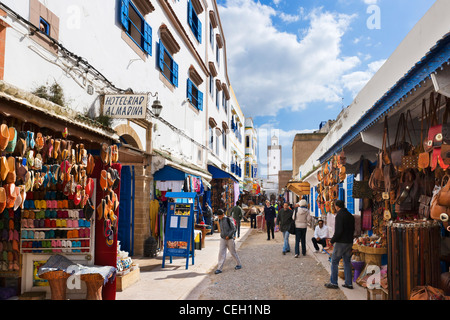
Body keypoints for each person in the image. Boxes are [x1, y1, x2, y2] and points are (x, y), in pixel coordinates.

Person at [324, 200, 355, 290]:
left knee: (334, 262)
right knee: (347, 262)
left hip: (341, 242)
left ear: (337, 206)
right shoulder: (350, 215)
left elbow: (339, 231)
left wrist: (332, 240)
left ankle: (334, 282)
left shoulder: (339, 216)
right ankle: (349, 283)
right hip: (349, 242)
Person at [215, 209, 242, 274]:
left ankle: (238, 264)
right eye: (218, 216)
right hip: (223, 238)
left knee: (233, 252)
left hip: (230, 239)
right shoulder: (219, 220)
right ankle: (219, 268)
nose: (219, 217)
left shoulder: (228, 219)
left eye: (220, 216)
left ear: (223, 215)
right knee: (221, 253)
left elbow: (234, 228)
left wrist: (229, 235)